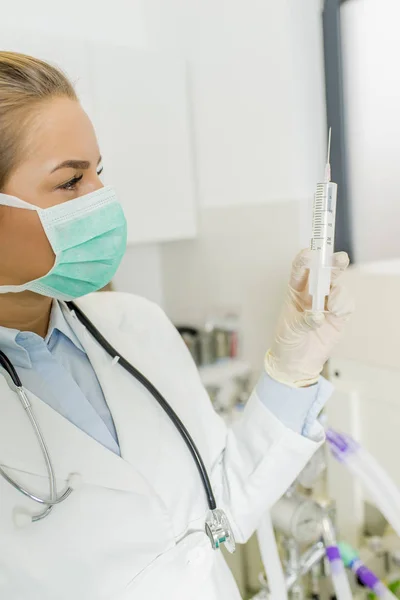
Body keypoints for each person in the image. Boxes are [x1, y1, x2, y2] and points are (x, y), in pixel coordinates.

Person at [0, 52, 352, 600]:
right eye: (70, 182)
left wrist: (295, 363)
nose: (102, 199)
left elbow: (223, 502)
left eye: (99, 172)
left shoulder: (135, 325)